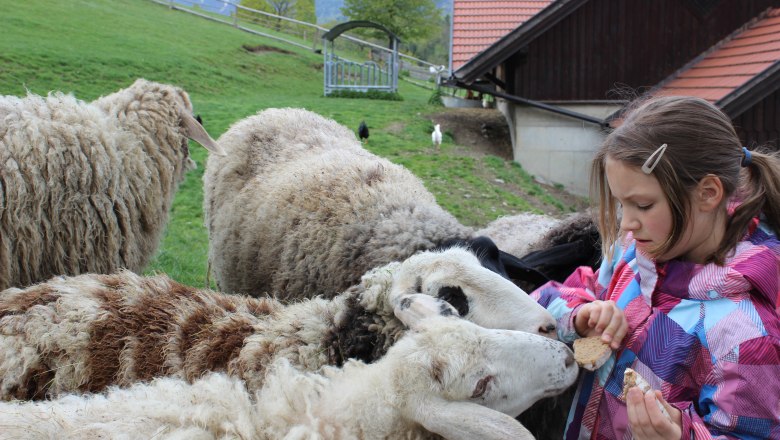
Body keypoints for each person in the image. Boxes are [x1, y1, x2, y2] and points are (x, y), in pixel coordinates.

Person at [532, 95, 780, 439]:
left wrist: (682, 435)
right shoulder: (635, 254)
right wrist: (581, 315)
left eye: (644, 204)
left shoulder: (744, 333)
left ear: (707, 193)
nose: (628, 222)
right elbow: (551, 298)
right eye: (622, 204)